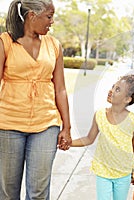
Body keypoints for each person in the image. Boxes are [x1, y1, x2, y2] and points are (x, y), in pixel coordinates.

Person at [0, 0, 72, 199]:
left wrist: (66, 127)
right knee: (7, 192)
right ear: (32, 15)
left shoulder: (54, 45)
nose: (52, 22)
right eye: (49, 17)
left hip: (45, 124)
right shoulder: (5, 41)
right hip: (8, 124)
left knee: (39, 193)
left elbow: (60, 89)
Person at [71, 74, 134, 200]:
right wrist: (69, 143)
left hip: (123, 173)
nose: (111, 91)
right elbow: (89, 139)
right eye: (113, 87)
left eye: (117, 89)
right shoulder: (100, 115)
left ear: (127, 99)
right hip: (103, 171)